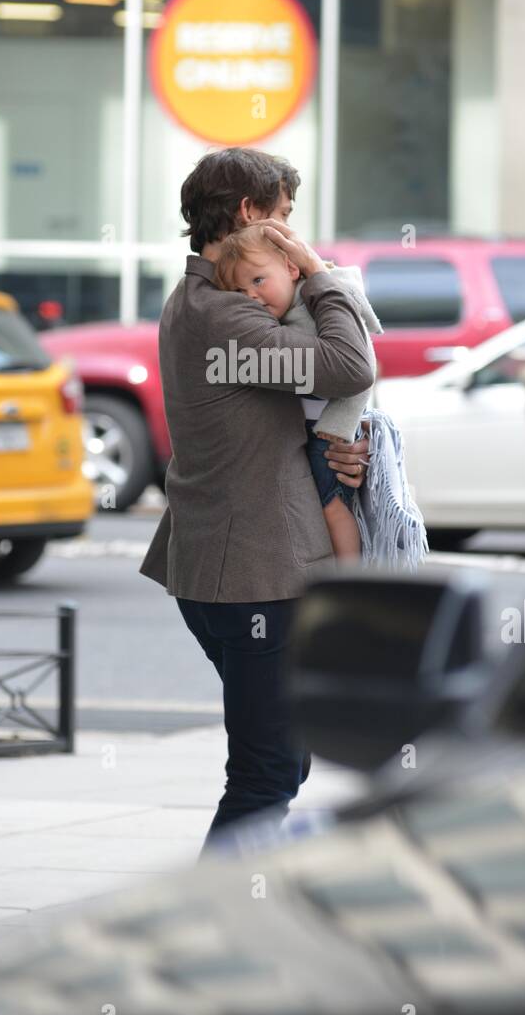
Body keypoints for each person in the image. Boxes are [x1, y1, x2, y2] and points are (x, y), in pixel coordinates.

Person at [139, 147, 374, 853]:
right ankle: (210, 923)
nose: (293, 234)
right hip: (250, 580)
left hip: (233, 572)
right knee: (265, 771)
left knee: (281, 758)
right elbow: (348, 365)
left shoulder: (203, 303)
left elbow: (280, 407)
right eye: (285, 217)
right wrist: (321, 272)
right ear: (249, 213)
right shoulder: (226, 317)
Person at [213, 221, 381, 561]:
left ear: (292, 268)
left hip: (326, 432)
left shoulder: (314, 304)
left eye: (258, 281)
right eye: (240, 292)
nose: (252, 296)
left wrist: (340, 426)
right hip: (309, 428)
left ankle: (350, 583)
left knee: (333, 507)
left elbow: (362, 366)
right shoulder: (286, 311)